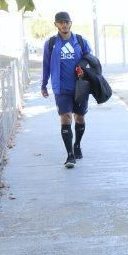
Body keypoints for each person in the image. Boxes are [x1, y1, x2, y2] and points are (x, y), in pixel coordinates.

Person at [41, 11, 93, 169]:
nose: (64, 24)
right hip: (61, 88)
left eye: (66, 22)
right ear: (56, 24)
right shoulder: (51, 43)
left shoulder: (80, 41)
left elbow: (91, 61)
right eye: (60, 22)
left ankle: (77, 145)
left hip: (80, 86)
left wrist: (85, 71)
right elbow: (46, 65)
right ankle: (70, 154)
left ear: (71, 23)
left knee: (80, 118)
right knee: (65, 118)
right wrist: (43, 84)